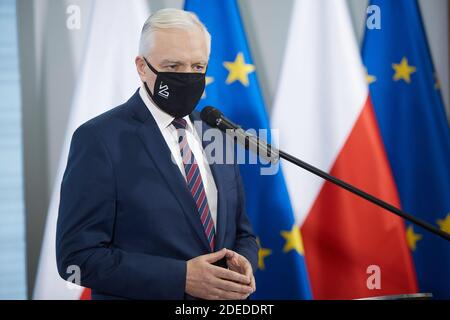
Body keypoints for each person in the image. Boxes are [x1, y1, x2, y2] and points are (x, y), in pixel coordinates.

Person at [56, 8, 258, 300]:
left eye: (198, 67)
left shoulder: (216, 130)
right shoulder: (99, 139)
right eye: (174, 67)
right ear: (142, 67)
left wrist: (243, 263)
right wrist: (182, 278)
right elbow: (77, 256)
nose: (187, 77)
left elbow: (242, 232)